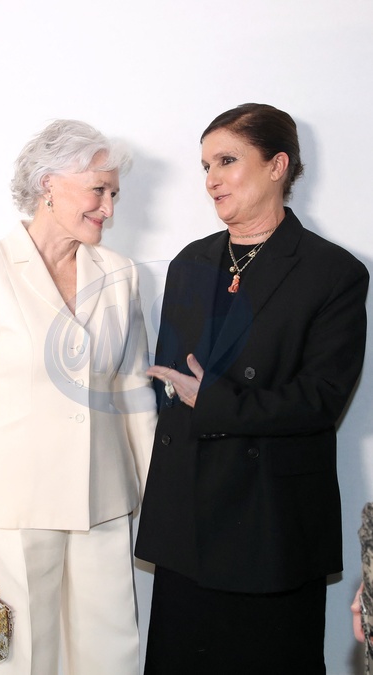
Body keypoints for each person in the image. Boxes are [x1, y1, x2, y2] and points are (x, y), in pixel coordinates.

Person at [135, 103, 369, 674]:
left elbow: (321, 400)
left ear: (277, 165)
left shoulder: (333, 272)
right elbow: (171, 383)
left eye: (227, 161)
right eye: (205, 166)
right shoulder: (190, 263)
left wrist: (212, 401)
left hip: (271, 526)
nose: (211, 179)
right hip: (187, 522)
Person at [0, 119, 157, 675]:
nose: (109, 207)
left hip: (104, 500)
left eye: (114, 194)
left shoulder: (121, 273)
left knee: (112, 654)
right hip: (13, 507)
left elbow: (135, 394)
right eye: (98, 190)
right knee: (23, 660)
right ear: (48, 185)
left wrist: (159, 499)